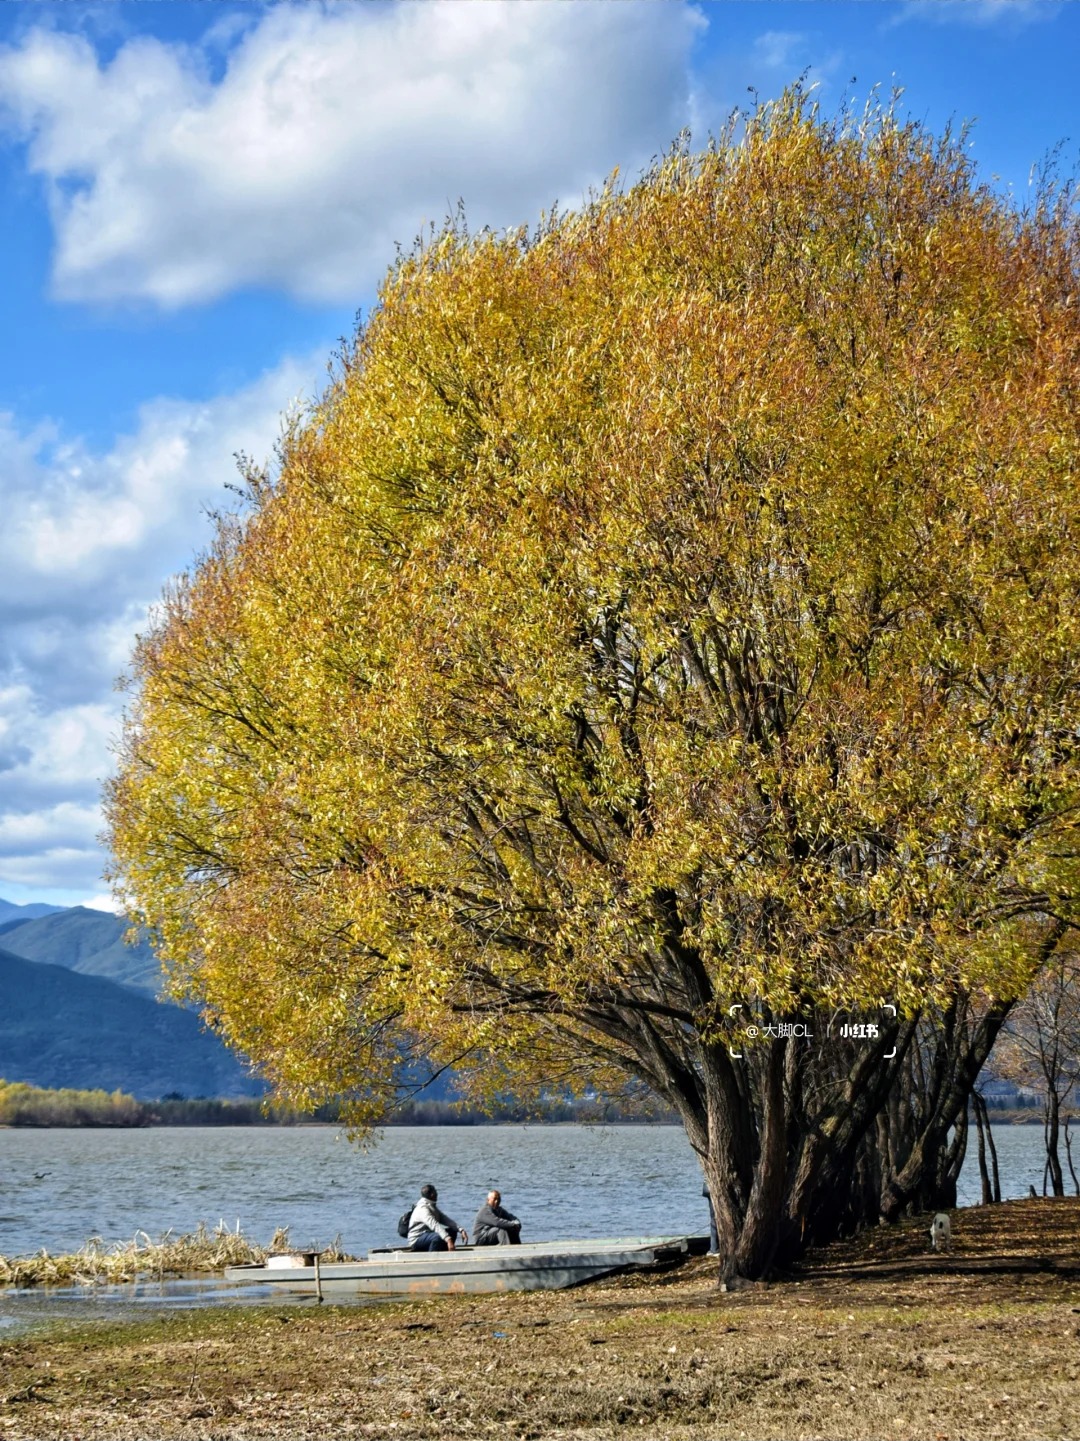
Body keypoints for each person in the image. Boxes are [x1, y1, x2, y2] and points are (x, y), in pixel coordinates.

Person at [406, 1183, 467, 1251]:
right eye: (436, 1191)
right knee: (438, 1237)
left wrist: (460, 1230)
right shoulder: (422, 1208)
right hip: (417, 1239)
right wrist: (448, 1239)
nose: (437, 1194)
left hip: (428, 1235)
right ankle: (432, 1257)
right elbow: (434, 1225)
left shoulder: (431, 1206)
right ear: (432, 1194)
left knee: (452, 1231)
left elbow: (445, 1219)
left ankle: (447, 1251)